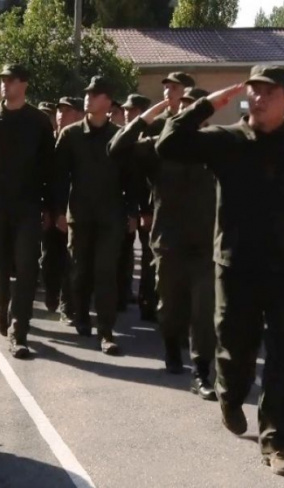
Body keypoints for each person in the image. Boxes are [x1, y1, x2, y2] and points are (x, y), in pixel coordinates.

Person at [155, 65, 284, 477]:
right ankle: (229, 395)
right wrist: (204, 105)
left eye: (269, 91)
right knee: (235, 351)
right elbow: (169, 145)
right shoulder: (226, 140)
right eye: (253, 90)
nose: (259, 97)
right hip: (236, 267)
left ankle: (277, 442)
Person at [108, 87, 217, 398]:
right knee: (169, 307)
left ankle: (201, 370)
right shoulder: (157, 148)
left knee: (203, 309)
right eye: (181, 108)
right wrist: (146, 116)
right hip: (168, 243)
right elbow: (117, 149)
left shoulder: (216, 146)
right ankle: (171, 351)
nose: (186, 114)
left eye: (193, 108)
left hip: (205, 244)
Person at [0, 64, 55, 358]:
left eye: (11, 80)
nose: (5, 85)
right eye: (3, 80)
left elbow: (49, 169)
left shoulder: (39, 122)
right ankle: (1, 310)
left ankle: (20, 332)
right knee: (0, 268)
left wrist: (50, 207)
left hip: (28, 208)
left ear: (24, 84)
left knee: (28, 268)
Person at [54, 76, 130, 354]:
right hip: (80, 215)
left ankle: (106, 331)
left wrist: (132, 211)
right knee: (80, 270)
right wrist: (59, 211)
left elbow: (129, 178)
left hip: (110, 216)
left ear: (108, 102)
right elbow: (59, 178)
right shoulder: (71, 135)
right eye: (87, 93)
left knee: (106, 273)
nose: (88, 97)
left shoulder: (118, 136)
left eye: (96, 94)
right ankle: (82, 315)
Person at [40, 96, 84, 322]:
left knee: (71, 260)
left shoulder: (80, 142)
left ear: (79, 114)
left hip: (74, 210)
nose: (60, 114)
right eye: (59, 110)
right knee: (49, 258)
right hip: (50, 208)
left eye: (66, 111)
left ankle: (68, 305)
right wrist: (49, 210)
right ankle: (51, 291)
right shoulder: (48, 140)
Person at [118, 93, 157, 322]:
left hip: (143, 207)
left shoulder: (150, 137)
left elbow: (144, 181)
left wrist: (141, 210)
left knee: (148, 257)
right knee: (122, 254)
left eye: (131, 110)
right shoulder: (125, 135)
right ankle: (123, 295)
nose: (126, 113)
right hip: (121, 204)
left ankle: (147, 303)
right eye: (125, 110)